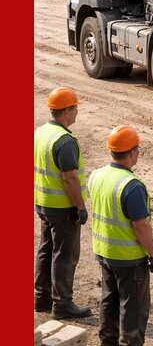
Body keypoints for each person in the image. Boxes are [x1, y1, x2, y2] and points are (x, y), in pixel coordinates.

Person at [89, 125, 153, 346]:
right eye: (137, 148)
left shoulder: (97, 175)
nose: (138, 152)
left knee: (109, 299)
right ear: (131, 152)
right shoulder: (132, 186)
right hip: (128, 257)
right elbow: (141, 226)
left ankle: (108, 345)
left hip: (104, 251)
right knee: (133, 305)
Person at [34, 87, 92, 318]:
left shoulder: (41, 132)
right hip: (62, 207)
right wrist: (80, 207)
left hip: (43, 202)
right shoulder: (65, 142)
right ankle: (62, 304)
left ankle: (41, 299)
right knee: (64, 255)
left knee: (46, 249)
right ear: (66, 111)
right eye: (75, 108)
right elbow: (69, 179)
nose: (77, 111)